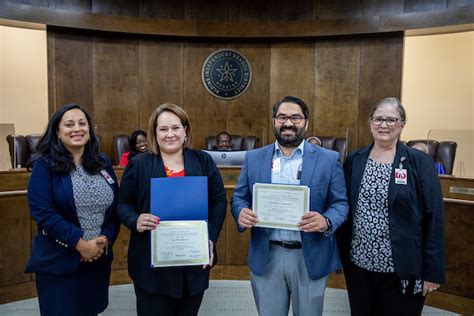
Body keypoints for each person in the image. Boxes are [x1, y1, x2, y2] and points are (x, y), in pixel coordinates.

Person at [231, 95, 349, 316]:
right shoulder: (254, 158)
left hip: (309, 254)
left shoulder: (328, 159)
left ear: (306, 122)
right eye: (282, 117)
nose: (288, 123)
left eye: (295, 117)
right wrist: (241, 212)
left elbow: (340, 204)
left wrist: (326, 221)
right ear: (274, 121)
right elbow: (239, 198)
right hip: (267, 254)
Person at [117, 103, 226, 316]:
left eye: (176, 128)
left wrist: (210, 237)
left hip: (193, 264)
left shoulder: (202, 160)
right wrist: (135, 219)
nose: (170, 134)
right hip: (151, 266)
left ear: (185, 130)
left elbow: (219, 200)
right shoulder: (139, 164)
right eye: (163, 129)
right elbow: (122, 203)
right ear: (154, 133)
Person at [338, 97, 445, 316]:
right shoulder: (355, 159)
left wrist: (432, 271)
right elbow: (345, 207)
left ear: (402, 124)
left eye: (391, 119)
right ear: (370, 122)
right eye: (378, 119)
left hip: (403, 269)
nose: (383, 125)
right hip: (359, 265)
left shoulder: (419, 162)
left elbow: (434, 216)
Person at [25, 103, 120, 315]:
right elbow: (44, 213)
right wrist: (81, 244)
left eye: (82, 123)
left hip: (97, 261)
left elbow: (115, 209)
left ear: (90, 130)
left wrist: (104, 239)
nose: (77, 129)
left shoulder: (102, 163)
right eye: (69, 124)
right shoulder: (44, 165)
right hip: (60, 262)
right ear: (57, 132)